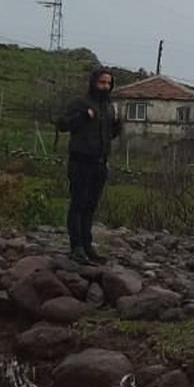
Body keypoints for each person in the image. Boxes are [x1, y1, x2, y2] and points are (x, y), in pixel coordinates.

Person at [56, 67, 121, 263]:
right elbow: (62, 124)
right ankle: (76, 247)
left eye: (108, 83)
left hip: (100, 163)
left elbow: (111, 134)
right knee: (78, 204)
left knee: (91, 206)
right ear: (93, 83)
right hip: (80, 161)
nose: (105, 87)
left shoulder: (109, 107)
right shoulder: (80, 103)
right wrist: (83, 116)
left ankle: (87, 246)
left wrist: (117, 124)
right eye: (102, 83)